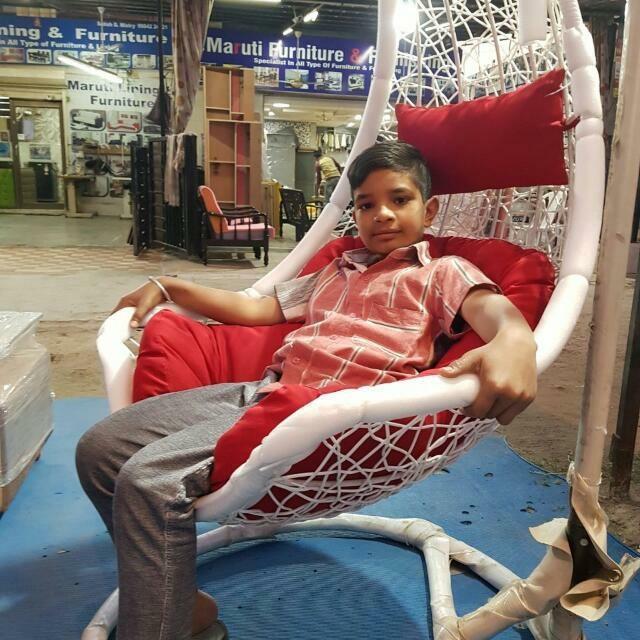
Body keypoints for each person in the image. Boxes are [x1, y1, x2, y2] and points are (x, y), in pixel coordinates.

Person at [76, 141, 538, 640]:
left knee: (149, 479)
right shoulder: (337, 269)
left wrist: (515, 339)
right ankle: (180, 604)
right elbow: (259, 309)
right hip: (264, 395)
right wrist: (170, 286)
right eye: (366, 204)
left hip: (333, 420)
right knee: (100, 450)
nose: (382, 214)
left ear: (428, 210)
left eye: (399, 199)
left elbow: (493, 311)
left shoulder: (441, 271)